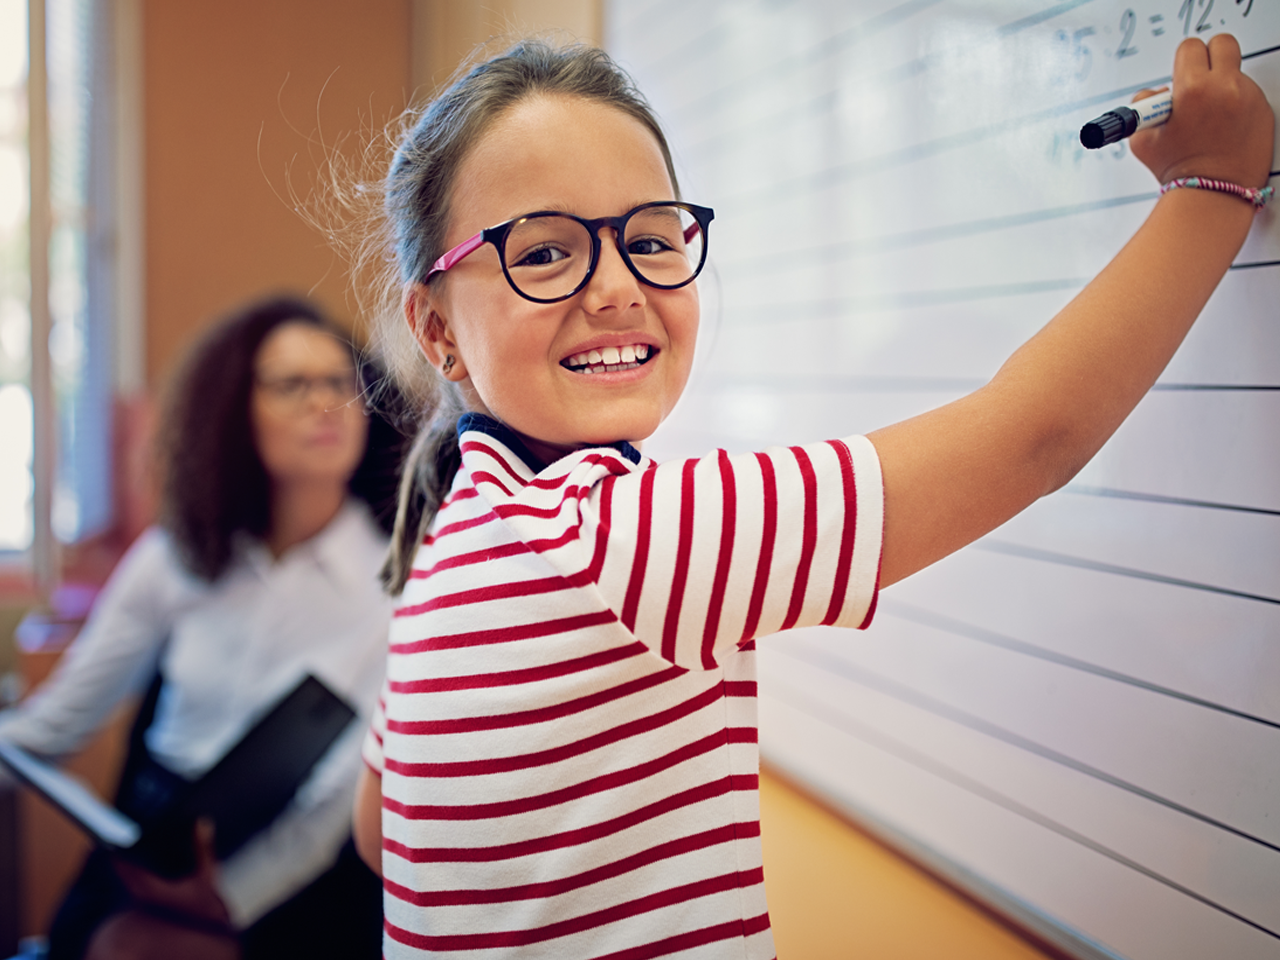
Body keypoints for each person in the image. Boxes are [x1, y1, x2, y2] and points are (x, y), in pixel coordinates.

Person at [347, 36, 1273, 959]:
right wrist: (1209, 186)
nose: (618, 286)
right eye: (544, 253)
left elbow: (379, 829)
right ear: (437, 330)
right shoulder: (621, 539)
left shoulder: (450, 537)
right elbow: (1035, 436)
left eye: (650, 239)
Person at [0, 296, 404, 959]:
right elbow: (52, 729)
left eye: (339, 382)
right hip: (148, 845)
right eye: (290, 384)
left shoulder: (394, 583)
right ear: (233, 410)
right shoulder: (175, 558)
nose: (324, 403)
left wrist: (224, 905)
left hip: (295, 881)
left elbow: (329, 819)